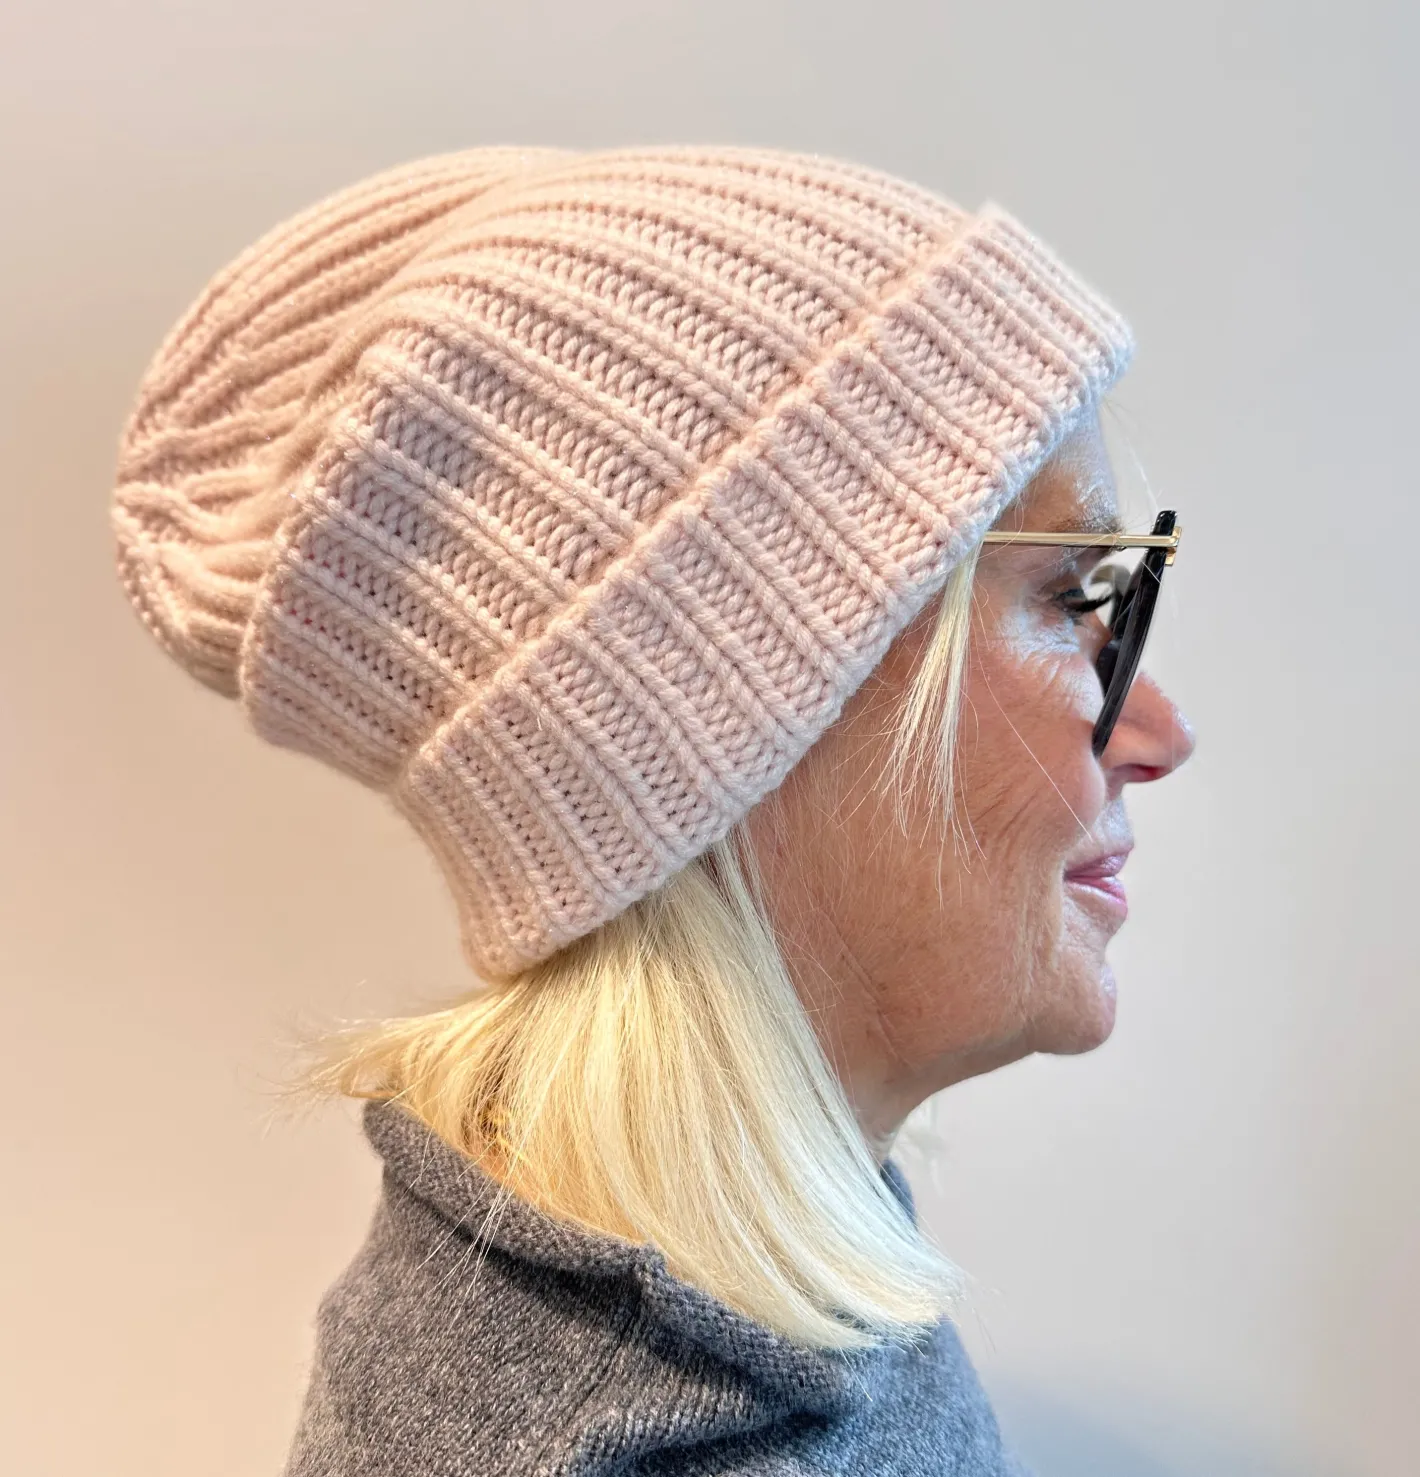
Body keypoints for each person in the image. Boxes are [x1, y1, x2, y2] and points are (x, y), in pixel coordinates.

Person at [111, 145, 1194, 1476]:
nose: (1159, 733)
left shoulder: (720, 1277)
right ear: (748, 726)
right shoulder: (665, 1431)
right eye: (1071, 599)